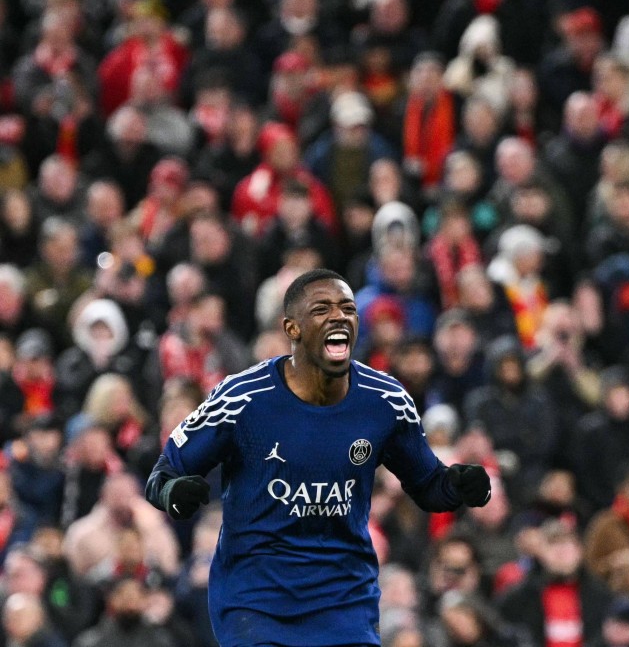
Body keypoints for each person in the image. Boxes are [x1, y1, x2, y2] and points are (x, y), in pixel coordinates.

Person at [144, 268, 491, 646]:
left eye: (347, 308)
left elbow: (428, 486)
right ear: (292, 329)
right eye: (322, 309)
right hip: (257, 599)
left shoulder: (386, 401)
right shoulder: (240, 399)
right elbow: (162, 475)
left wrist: (457, 485)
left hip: (344, 598)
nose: (339, 316)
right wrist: (173, 493)